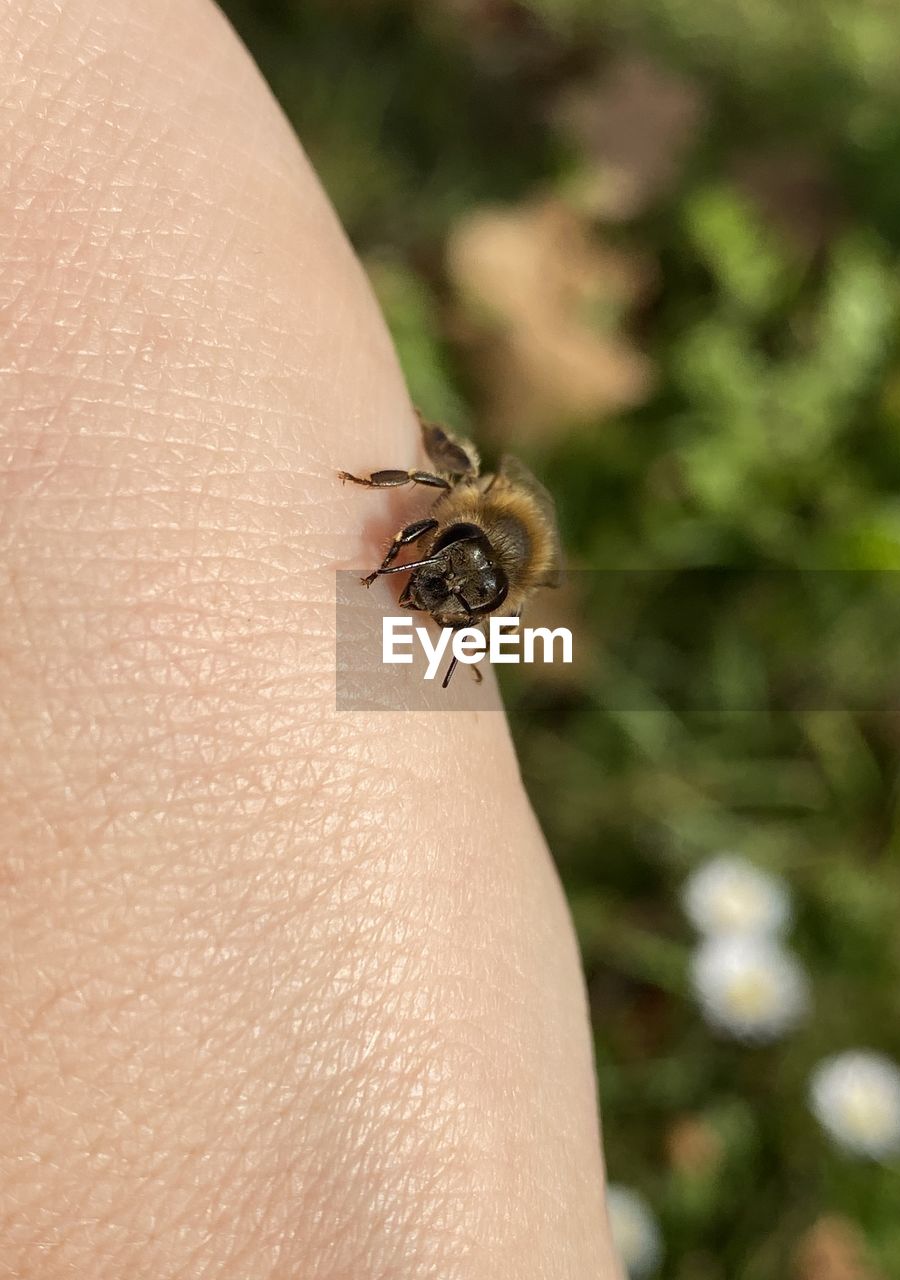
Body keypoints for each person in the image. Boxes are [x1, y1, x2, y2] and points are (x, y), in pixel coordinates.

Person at [0, 2, 622, 1275]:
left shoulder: (486, 577)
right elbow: (456, 498)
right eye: (435, 573)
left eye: (443, 590)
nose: (423, 583)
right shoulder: (459, 513)